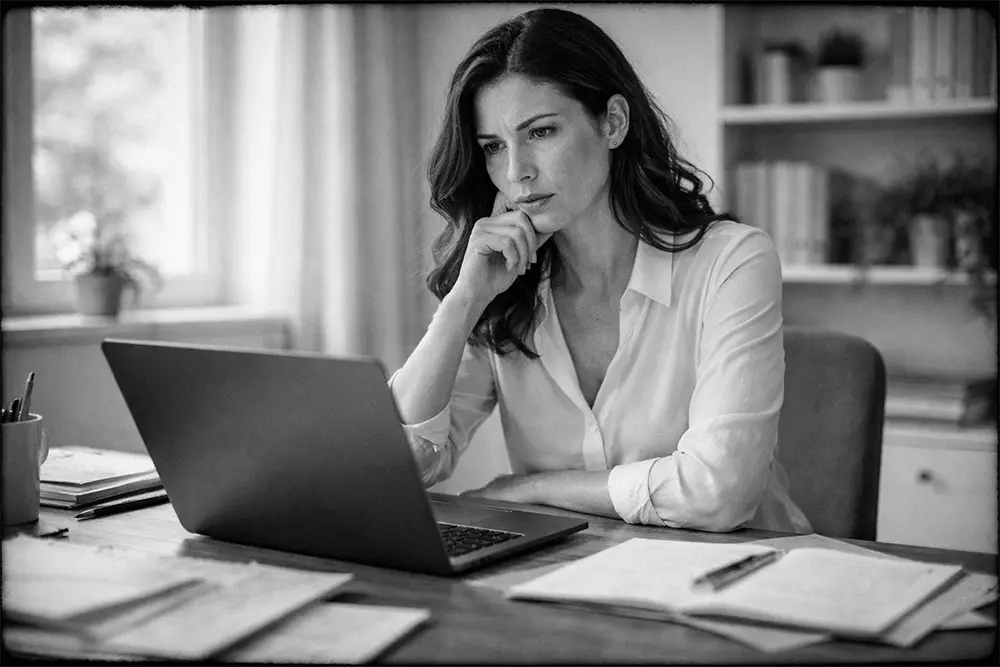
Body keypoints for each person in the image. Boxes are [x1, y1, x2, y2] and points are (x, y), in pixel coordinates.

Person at [389, 8, 812, 533]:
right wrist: (463, 302)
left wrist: (536, 488)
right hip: (567, 582)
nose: (516, 170)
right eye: (494, 147)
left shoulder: (731, 262)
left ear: (612, 122)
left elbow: (716, 493)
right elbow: (404, 465)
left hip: (741, 581)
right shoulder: (504, 287)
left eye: (540, 131)